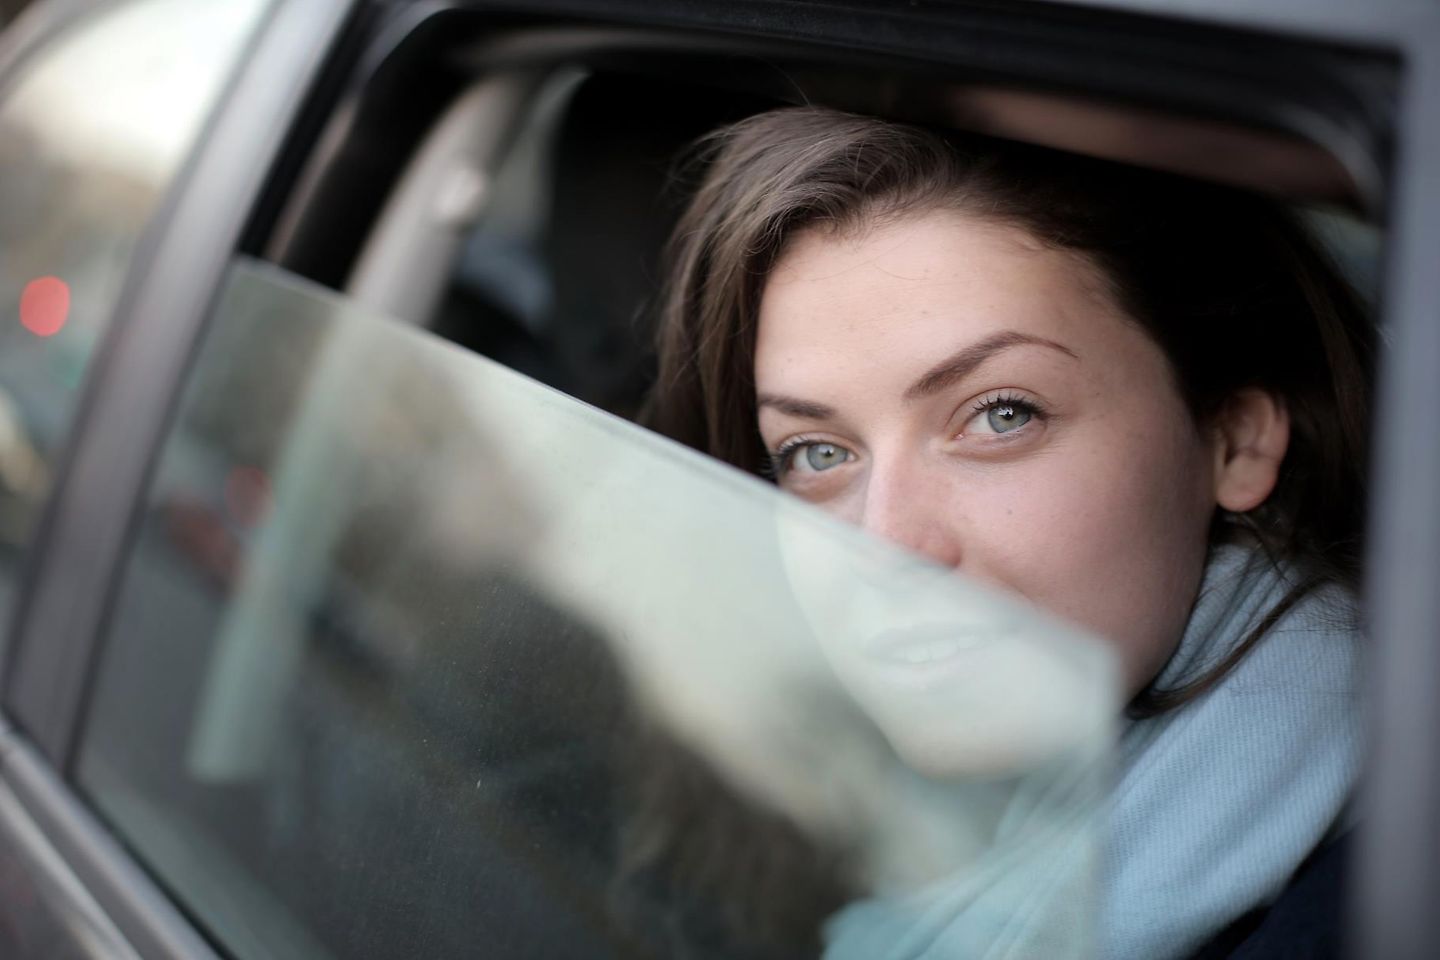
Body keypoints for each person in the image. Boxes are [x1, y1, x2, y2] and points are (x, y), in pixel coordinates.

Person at [641, 106, 1372, 959]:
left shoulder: (1370, 898)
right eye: (815, 451)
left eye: (1000, 414)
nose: (887, 544)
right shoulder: (787, 798)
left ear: (1233, 438)